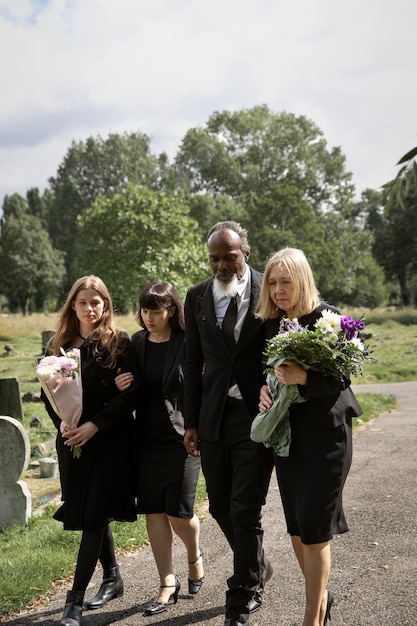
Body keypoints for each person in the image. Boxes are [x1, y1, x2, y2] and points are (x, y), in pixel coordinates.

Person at [256, 248, 363, 626]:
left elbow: (343, 377)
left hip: (326, 437)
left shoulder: (328, 319)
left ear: (302, 280)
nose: (278, 290)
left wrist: (305, 379)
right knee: (297, 530)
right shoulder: (273, 323)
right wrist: (263, 390)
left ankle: (311, 618)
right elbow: (266, 371)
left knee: (316, 532)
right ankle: (322, 597)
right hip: (288, 439)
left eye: (286, 281)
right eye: (272, 282)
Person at [183, 221, 274, 626]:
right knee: (219, 504)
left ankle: (243, 594)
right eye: (214, 259)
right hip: (213, 416)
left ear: (246, 254)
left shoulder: (267, 289)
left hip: (257, 415)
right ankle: (257, 564)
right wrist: (191, 422)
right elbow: (192, 361)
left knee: (244, 507)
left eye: (229, 257)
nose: (222, 265)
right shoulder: (197, 296)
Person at [41, 275, 137, 626]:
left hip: (110, 442)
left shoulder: (119, 343)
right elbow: (47, 394)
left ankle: (74, 602)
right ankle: (113, 576)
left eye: (96, 302)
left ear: (106, 305)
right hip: (73, 444)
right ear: (73, 306)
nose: (89, 308)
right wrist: (62, 422)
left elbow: (131, 394)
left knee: (96, 514)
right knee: (91, 512)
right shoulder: (59, 344)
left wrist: (96, 424)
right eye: (83, 302)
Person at [115, 281, 203, 617]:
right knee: (153, 510)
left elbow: (200, 383)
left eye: (156, 310)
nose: (149, 317)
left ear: (172, 311)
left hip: (183, 437)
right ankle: (167, 581)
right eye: (145, 310)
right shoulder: (138, 343)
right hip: (146, 438)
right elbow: (134, 387)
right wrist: (122, 384)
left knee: (179, 512)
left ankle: (194, 557)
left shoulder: (187, 341)